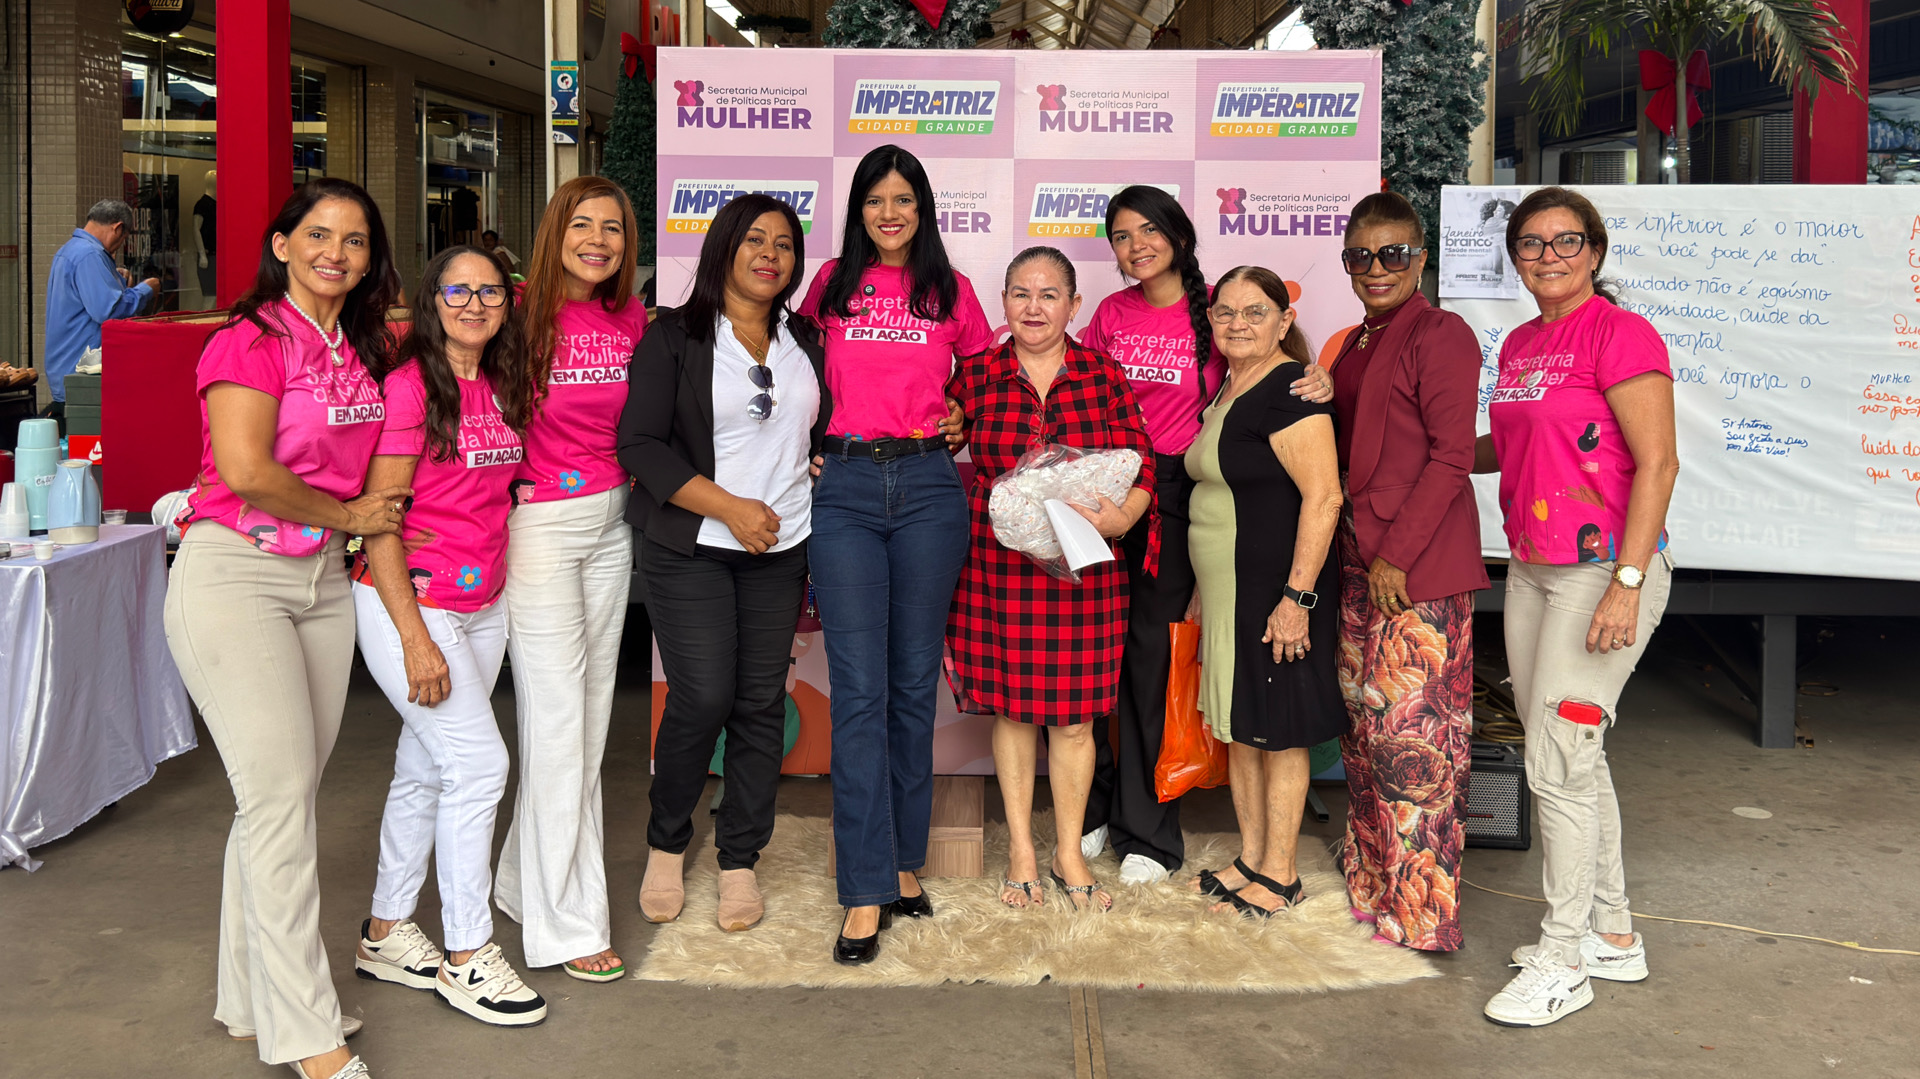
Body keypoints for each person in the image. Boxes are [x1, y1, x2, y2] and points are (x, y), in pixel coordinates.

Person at [162, 178, 405, 1079]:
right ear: (281, 244)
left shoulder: (358, 349)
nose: (334, 251)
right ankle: (308, 1033)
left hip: (320, 586)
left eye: (353, 239)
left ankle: (246, 997)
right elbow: (247, 469)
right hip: (235, 574)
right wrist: (354, 519)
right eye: (317, 234)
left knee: (281, 799)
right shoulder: (247, 340)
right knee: (277, 804)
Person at [1478, 187, 1677, 1027]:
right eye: (1531, 243)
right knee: (1571, 753)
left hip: (1603, 574)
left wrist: (1627, 584)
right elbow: (1511, 441)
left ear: (1593, 251)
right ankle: (1612, 931)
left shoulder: (1621, 333)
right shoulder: (1523, 341)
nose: (1547, 256)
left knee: (1558, 758)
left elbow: (1659, 463)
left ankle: (1563, 958)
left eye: (1565, 241)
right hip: (1530, 569)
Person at [799, 144, 991, 964]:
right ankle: (864, 886)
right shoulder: (831, 285)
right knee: (859, 694)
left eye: (903, 198)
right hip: (844, 487)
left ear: (923, 208)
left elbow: (987, 377)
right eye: (875, 199)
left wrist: (964, 420)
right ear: (859, 208)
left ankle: (906, 862)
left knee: (915, 686)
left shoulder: (950, 290)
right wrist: (803, 442)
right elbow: (792, 373)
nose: (889, 212)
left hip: (928, 490)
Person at [617, 194, 826, 932]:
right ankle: (667, 844)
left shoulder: (807, 338)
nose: (771, 254)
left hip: (783, 548)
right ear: (724, 249)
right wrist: (729, 505)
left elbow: (814, 427)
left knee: (760, 704)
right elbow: (640, 445)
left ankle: (740, 857)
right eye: (754, 240)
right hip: (695, 547)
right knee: (703, 696)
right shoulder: (674, 336)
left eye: (784, 244)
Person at [349, 246, 546, 1027]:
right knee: (480, 762)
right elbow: (380, 521)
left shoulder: (502, 383)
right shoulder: (407, 388)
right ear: (432, 301)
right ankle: (467, 954)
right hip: (413, 602)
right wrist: (414, 638)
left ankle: (387, 931)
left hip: (483, 602)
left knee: (426, 769)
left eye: (489, 290)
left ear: (507, 301)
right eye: (458, 289)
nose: (474, 302)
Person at [948, 246, 1154, 914]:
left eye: (1048, 295)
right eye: (1019, 294)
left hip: (1086, 571)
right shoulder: (974, 375)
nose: (1033, 308)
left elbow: (1142, 463)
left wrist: (1124, 515)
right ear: (1003, 302)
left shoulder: (1105, 373)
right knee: (1012, 712)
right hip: (998, 569)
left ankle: (1067, 850)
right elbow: (928, 439)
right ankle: (1021, 851)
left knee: (1072, 725)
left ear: (1074, 304)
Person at [1321, 191, 1486, 951]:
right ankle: (1375, 885)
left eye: (1393, 253)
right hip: (1358, 564)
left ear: (1420, 257)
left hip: (1414, 568)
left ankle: (1423, 913)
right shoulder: (1355, 341)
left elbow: (1454, 456)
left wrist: (1397, 554)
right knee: (1367, 733)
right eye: (1361, 255)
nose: (1377, 267)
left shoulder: (1440, 333)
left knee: (1418, 746)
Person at [493, 176, 646, 984]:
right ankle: (566, 923)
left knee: (585, 724)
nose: (598, 240)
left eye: (613, 229)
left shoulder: (628, 317)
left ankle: (520, 881)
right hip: (542, 529)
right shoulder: (514, 313)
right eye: (582, 225)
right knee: (555, 724)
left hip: (612, 523)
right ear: (555, 231)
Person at [1183, 266, 1345, 918]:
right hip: (1230, 596)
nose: (1238, 323)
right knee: (1243, 730)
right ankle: (1253, 856)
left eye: (1255, 312)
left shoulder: (1289, 389)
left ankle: (1283, 873)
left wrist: (1297, 599)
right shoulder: (1229, 385)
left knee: (1278, 732)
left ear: (1283, 321)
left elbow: (1325, 496)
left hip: (1278, 593)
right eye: (1225, 312)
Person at [1077, 185, 1226, 885]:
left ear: (1178, 233)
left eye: (1148, 230)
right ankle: (1093, 807)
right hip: (1107, 486)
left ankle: (1151, 829)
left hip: (1175, 496)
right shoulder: (1111, 312)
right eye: (1121, 236)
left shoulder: (1213, 309)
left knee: (1149, 663)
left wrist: (1312, 379)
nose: (1136, 246)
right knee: (1092, 657)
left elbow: (1262, 375)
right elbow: (1084, 396)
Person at [43, 199, 160, 432]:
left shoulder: (70, 250)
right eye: (124, 238)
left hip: (66, 369)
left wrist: (114, 279)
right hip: (82, 372)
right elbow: (109, 310)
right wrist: (147, 288)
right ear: (117, 228)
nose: (120, 245)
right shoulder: (90, 255)